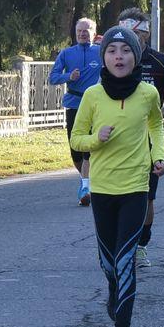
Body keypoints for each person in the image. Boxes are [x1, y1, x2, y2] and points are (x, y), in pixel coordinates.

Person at [69, 25, 164, 327]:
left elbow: (156, 126)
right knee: (108, 264)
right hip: (102, 190)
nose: (119, 57)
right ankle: (113, 289)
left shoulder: (148, 94)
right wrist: (96, 139)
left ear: (135, 57)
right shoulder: (92, 96)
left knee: (126, 263)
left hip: (136, 187)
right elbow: (76, 139)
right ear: (104, 57)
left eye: (125, 51)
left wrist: (158, 156)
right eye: (112, 51)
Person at [117, 7, 164, 267]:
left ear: (145, 35)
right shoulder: (113, 60)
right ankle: (120, 243)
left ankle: (141, 245)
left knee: (146, 196)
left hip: (149, 140)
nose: (126, 41)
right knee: (118, 194)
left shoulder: (160, 62)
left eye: (133, 35)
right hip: (116, 140)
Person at [49, 17, 102, 206]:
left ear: (93, 33)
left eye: (86, 31)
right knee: (75, 151)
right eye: (79, 31)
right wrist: (68, 76)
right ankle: (86, 181)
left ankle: (86, 187)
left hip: (96, 106)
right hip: (74, 103)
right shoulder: (67, 53)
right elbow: (53, 78)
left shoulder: (101, 52)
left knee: (89, 148)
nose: (82, 34)